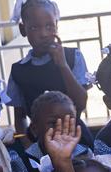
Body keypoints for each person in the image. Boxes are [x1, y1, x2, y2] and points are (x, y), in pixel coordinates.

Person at [6, 0, 91, 140]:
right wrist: (27, 144)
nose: (44, 34)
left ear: (56, 25)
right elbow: (20, 116)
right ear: (22, 30)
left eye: (49, 26)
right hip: (39, 145)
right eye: (34, 28)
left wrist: (63, 66)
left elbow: (81, 103)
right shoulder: (18, 71)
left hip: (76, 139)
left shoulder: (72, 57)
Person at [9, 91, 92, 172]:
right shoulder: (23, 162)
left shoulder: (85, 154)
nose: (61, 129)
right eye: (53, 123)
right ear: (35, 129)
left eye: (68, 122)